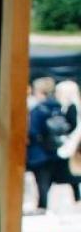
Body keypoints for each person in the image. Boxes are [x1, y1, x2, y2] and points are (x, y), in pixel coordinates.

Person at [28, 77, 77, 211]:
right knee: (49, 179)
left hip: (39, 151)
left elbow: (32, 131)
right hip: (55, 149)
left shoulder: (38, 110)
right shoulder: (59, 108)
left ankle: (42, 206)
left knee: (42, 181)